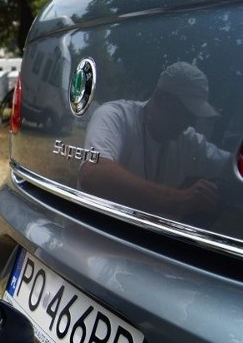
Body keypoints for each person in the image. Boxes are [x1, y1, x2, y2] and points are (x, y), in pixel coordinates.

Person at [79, 61, 232, 222]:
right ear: (159, 98)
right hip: (94, 236)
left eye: (193, 116)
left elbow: (231, 165)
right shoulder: (114, 116)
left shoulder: (188, 139)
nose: (190, 122)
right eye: (184, 113)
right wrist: (180, 200)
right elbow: (93, 174)